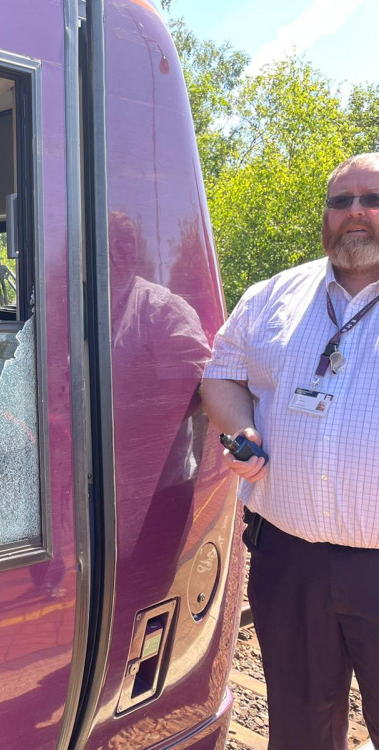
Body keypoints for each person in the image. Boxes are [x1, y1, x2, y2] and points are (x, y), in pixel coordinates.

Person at [202, 152, 379, 749]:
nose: (355, 213)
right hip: (290, 560)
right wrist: (240, 429)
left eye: (371, 199)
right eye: (341, 200)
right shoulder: (274, 295)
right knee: (300, 732)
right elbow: (221, 375)